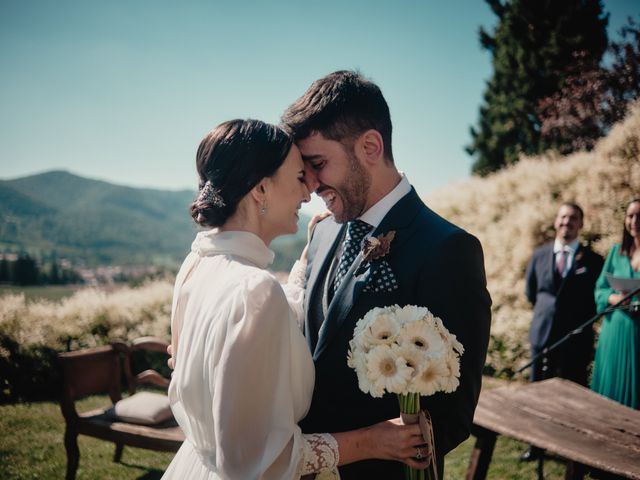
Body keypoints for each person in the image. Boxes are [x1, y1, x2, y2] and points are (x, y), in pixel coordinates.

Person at [162, 119, 427, 479]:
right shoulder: (254, 291)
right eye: (300, 177)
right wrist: (373, 441)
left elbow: (262, 323)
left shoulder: (196, 265)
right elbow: (257, 461)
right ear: (260, 189)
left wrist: (303, 267)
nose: (308, 193)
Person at [280, 70, 492, 479]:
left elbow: (454, 412)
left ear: (371, 146)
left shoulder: (448, 249)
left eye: (318, 163)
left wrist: (371, 447)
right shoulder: (322, 232)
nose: (310, 183)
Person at [522, 202, 603, 461]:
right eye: (564, 217)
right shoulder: (539, 255)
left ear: (581, 224)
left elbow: (594, 300)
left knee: (571, 397)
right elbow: (531, 292)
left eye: (574, 218)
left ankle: (568, 449)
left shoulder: (593, 260)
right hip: (542, 335)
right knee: (537, 392)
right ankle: (535, 445)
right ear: (556, 222)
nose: (567, 222)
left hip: (575, 339)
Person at [591, 198, 640, 409]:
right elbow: (600, 289)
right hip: (613, 331)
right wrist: (615, 298)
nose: (635, 221)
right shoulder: (616, 252)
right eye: (630, 216)